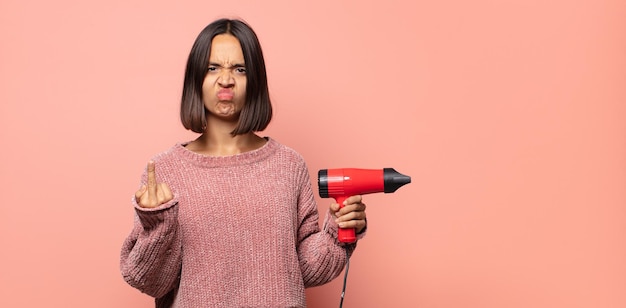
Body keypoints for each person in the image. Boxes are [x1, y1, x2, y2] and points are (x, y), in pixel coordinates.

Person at [120, 18, 367, 307]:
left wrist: (338, 229)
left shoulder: (288, 165)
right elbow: (150, 281)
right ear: (195, 80)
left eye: (240, 69)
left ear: (256, 81)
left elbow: (304, 269)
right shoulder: (164, 172)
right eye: (213, 68)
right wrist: (158, 224)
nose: (226, 79)